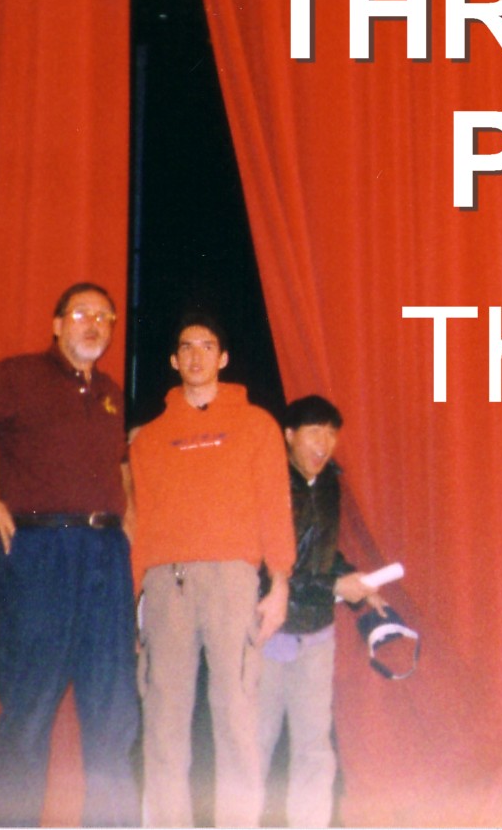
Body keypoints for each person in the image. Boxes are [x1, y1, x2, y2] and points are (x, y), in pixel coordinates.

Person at [0, 283, 139, 827]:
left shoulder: (111, 392)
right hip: (39, 553)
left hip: (105, 557)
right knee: (30, 707)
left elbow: (122, 468)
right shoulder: (19, 376)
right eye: (81, 314)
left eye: (104, 317)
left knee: (113, 711)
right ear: (57, 323)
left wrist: (127, 527)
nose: (94, 325)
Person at [127, 317, 294, 828]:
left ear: (223, 358)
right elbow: (140, 520)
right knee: (163, 721)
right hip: (165, 583)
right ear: (173, 361)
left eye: (207, 346)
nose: (196, 355)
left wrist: (279, 583)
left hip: (232, 580)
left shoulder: (257, 424)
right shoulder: (149, 438)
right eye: (185, 348)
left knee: (237, 717)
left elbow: (274, 504)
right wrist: (138, 599)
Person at [258, 395, 385, 830]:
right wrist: (335, 586)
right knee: (255, 745)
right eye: (315, 431)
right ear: (288, 435)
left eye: (332, 433)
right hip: (269, 633)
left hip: (316, 634)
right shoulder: (267, 482)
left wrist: (358, 588)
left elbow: (323, 556)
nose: (325, 442)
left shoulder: (330, 483)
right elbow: (264, 569)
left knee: (314, 746)